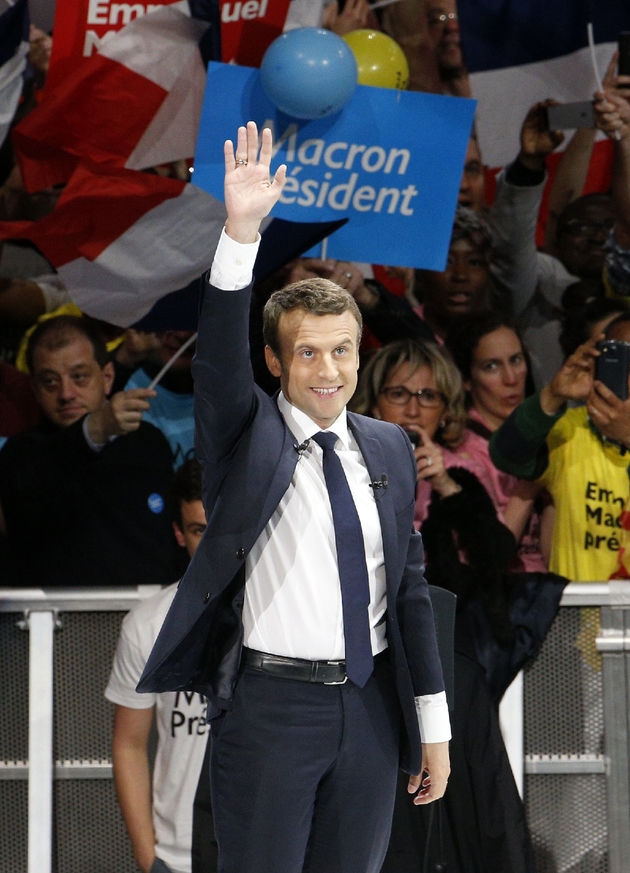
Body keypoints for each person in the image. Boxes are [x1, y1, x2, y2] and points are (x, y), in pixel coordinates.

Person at [138, 122, 450, 873]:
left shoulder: (386, 446)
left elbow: (407, 591)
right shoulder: (244, 433)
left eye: (341, 348)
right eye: (306, 350)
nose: (327, 367)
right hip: (269, 707)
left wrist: (429, 725)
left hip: (372, 709)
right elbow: (217, 358)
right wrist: (240, 233)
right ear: (275, 359)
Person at [351, 338, 547, 872]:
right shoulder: (343, 470)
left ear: (447, 407)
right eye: (399, 393)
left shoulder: (460, 477)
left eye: (428, 395)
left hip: (453, 673)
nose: (414, 408)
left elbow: (493, 558)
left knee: (466, 807)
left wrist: (443, 483)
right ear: (373, 401)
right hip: (370, 671)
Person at [0, 315, 176, 586]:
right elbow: (33, 484)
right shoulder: (22, 453)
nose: (66, 393)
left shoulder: (149, 442)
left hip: (148, 617)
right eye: (50, 381)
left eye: (79, 377)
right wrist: (94, 429)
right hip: (58, 622)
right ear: (34, 389)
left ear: (107, 378)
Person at [106, 459, 214, 873]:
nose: (211, 542)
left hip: (272, 846)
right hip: (178, 854)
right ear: (178, 533)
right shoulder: (149, 624)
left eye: (221, 524)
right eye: (199, 529)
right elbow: (129, 745)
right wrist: (149, 859)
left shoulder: (286, 614)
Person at [445, 311, 551, 573]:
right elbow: (487, 554)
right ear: (467, 379)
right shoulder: (460, 451)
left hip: (556, 590)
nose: (511, 378)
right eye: (491, 366)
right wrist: (529, 487)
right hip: (502, 597)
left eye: (516, 360)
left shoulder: (553, 434)